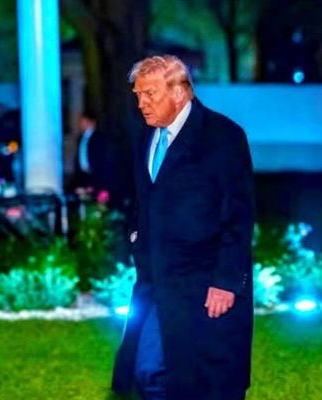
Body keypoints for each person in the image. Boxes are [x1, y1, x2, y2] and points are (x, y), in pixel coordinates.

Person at [111, 55, 254, 400]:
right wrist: (136, 235)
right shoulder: (146, 137)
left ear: (178, 92)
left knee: (206, 380)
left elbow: (239, 215)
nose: (141, 103)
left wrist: (226, 281)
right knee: (147, 370)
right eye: (138, 95)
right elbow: (144, 197)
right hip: (155, 282)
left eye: (149, 94)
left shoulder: (223, 137)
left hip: (204, 283)